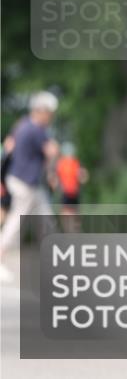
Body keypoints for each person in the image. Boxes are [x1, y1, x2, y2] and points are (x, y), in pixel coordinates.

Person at [0, 92, 61, 275]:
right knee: (17, 222)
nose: (51, 117)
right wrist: (54, 159)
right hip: (25, 182)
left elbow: (9, 147)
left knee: (46, 219)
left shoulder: (22, 125)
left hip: (24, 181)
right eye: (49, 113)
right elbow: (51, 152)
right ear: (41, 111)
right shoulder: (36, 129)